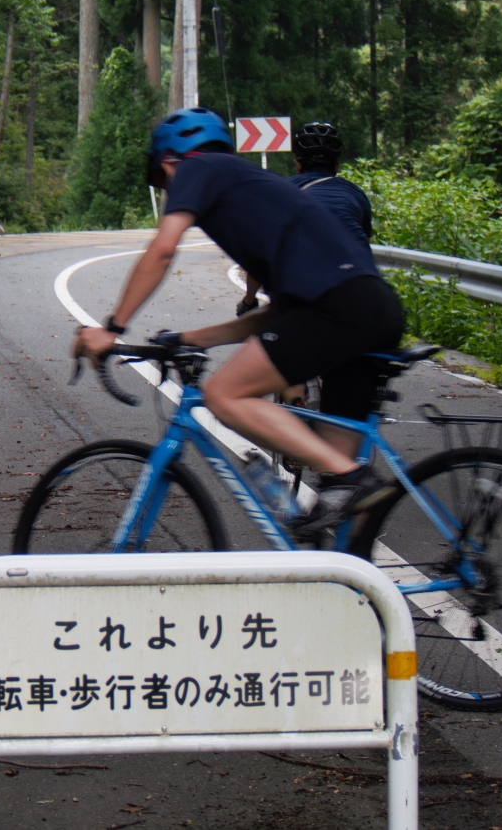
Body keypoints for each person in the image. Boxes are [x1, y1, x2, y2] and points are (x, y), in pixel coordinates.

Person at [72, 107, 404, 535]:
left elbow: (163, 249)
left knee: (225, 395)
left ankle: (352, 479)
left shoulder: (196, 167)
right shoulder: (252, 196)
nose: (169, 191)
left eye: (161, 180)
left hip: (338, 309)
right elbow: (276, 314)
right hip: (369, 308)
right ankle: (356, 585)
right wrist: (194, 337)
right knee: (339, 515)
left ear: (170, 159)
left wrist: (111, 328)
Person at [236, 121, 372, 315]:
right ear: (337, 166)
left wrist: (249, 302)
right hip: (360, 290)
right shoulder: (356, 194)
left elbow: (259, 259)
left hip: (303, 293)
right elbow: (363, 248)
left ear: (298, 164)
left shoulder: (279, 192)